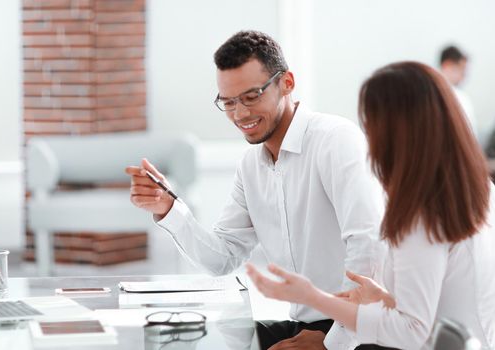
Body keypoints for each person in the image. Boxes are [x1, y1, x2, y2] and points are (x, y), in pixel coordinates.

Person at [126, 30, 386, 350]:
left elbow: (369, 244)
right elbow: (221, 258)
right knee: (200, 338)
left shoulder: (335, 140)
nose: (241, 114)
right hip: (308, 325)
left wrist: (334, 341)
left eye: (252, 96)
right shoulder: (251, 166)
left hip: (362, 328)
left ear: (286, 83)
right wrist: (168, 208)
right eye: (229, 102)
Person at [247, 61, 495, 350]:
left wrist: (312, 297)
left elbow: (413, 331)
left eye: (371, 126)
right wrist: (382, 299)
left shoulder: (420, 216)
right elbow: (442, 305)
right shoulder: (475, 192)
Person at [439, 45, 477, 138]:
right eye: (462, 70)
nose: (463, 77)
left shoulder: (425, 93)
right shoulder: (459, 97)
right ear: (447, 65)